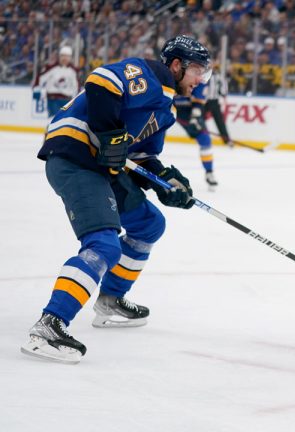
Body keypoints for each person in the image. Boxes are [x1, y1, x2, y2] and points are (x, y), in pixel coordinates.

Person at [21, 35, 211, 364]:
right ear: (176, 65)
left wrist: (167, 181)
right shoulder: (150, 74)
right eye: (197, 71)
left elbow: (138, 157)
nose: (200, 80)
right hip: (76, 156)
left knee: (150, 224)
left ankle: (110, 300)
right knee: (104, 245)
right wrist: (110, 134)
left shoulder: (165, 110)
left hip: (102, 166)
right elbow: (101, 80)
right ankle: (49, 325)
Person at [175, 62, 229, 191]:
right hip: (171, 107)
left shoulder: (202, 78)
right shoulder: (176, 72)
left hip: (187, 112)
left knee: (205, 140)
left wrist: (195, 115)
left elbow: (198, 99)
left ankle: (209, 172)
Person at [33, 46, 79, 118]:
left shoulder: (74, 71)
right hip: (53, 99)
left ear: (70, 58)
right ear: (59, 56)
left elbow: (76, 86)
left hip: (66, 100)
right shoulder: (51, 67)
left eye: (67, 56)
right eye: (63, 56)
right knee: (54, 120)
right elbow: (40, 78)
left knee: (64, 122)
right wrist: (36, 90)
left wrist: (76, 100)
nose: (64, 58)